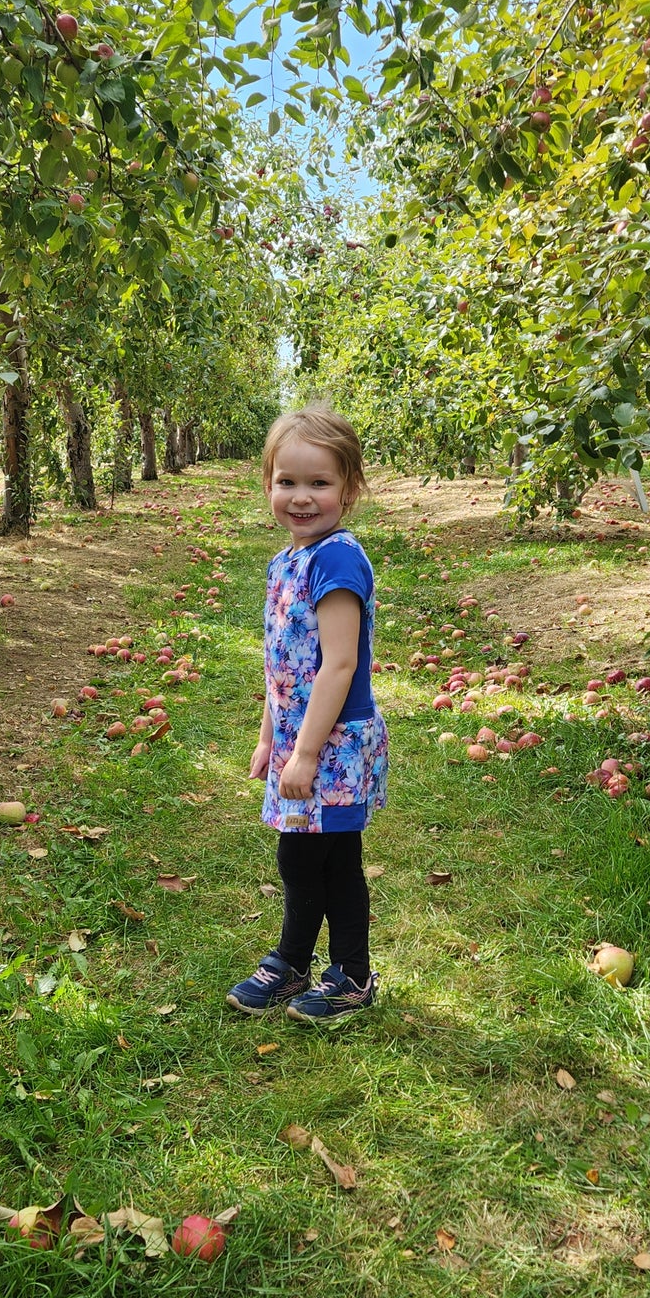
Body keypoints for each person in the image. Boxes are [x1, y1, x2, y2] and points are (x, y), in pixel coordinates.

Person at [227, 407, 388, 1023]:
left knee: (334, 859)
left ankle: (351, 974)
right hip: (300, 740)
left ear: (348, 490)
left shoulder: (338, 560)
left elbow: (338, 666)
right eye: (286, 481)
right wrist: (270, 737)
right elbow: (282, 666)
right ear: (267, 484)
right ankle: (294, 961)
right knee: (297, 855)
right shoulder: (285, 561)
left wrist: (308, 752)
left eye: (319, 483)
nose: (300, 497)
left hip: (336, 743)